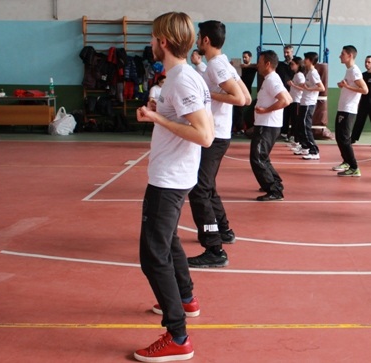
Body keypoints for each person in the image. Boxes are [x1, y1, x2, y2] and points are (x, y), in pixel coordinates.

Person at [132, 11, 214, 362]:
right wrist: (159, 112)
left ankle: (178, 335)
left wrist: (158, 117)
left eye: (152, 37)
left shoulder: (181, 79)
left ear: (163, 41)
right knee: (169, 242)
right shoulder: (182, 77)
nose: (150, 43)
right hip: (175, 175)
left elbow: (205, 135)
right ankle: (185, 298)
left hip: (169, 179)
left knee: (153, 255)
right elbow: (187, 120)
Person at [186, 20, 250, 268]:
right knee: (207, 184)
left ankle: (214, 248)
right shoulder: (223, 63)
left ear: (206, 40)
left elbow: (239, 98)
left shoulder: (215, 66)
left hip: (215, 135)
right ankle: (224, 230)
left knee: (199, 188)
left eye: (199, 36)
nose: (197, 40)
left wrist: (208, 95)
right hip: (219, 135)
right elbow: (244, 96)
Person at [252, 50, 292, 201]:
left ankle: (274, 190)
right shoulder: (271, 79)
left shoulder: (271, 80)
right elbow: (288, 97)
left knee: (258, 157)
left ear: (267, 64)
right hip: (267, 125)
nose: (258, 65)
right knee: (263, 156)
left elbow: (285, 100)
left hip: (267, 125)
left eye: (260, 62)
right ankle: (275, 183)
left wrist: (265, 110)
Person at [332, 45, 368, 177]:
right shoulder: (349, 71)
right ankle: (346, 162)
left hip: (349, 110)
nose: (340, 56)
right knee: (339, 137)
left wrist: (347, 86)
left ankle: (354, 167)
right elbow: (351, 86)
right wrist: (344, 85)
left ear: (350, 56)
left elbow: (365, 90)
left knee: (344, 139)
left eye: (342, 54)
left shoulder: (355, 71)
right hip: (343, 108)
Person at [289, 51, 324, 160]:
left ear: (309, 60)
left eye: (305, 59)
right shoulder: (309, 73)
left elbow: (321, 87)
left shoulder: (314, 73)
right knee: (300, 125)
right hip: (304, 102)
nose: (304, 61)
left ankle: (314, 151)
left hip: (309, 103)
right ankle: (305, 147)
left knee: (306, 126)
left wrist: (309, 89)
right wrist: (305, 86)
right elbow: (309, 85)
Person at [233, 50, 257, 134]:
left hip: (247, 90)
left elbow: (256, 65)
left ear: (250, 57)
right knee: (237, 109)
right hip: (238, 90)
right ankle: (238, 127)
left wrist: (246, 66)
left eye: (245, 57)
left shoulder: (253, 67)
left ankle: (240, 128)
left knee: (240, 109)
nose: (244, 59)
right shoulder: (240, 67)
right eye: (243, 57)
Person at [287, 56, 306, 155]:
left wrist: (293, 85)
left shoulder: (300, 75)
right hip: (293, 100)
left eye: (293, 64)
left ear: (298, 65)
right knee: (294, 121)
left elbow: (303, 87)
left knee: (297, 122)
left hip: (298, 101)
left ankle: (299, 142)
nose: (291, 66)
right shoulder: (296, 75)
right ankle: (296, 141)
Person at [276, 44, 295, 139]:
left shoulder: (296, 65)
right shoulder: (280, 65)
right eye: (285, 52)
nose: (286, 54)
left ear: (292, 52)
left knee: (294, 114)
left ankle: (293, 134)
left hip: (294, 93)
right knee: (284, 112)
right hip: (283, 92)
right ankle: (283, 132)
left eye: (288, 52)